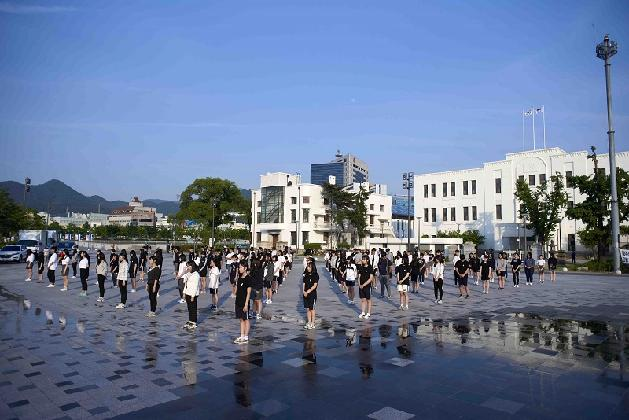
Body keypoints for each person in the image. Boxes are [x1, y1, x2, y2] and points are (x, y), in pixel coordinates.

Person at [234, 261, 252, 344]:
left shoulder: (248, 279)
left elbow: (248, 293)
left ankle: (246, 336)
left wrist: (246, 304)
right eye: (239, 267)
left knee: (246, 319)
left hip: (244, 302)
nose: (239, 269)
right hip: (238, 301)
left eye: (240, 267)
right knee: (241, 319)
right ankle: (241, 335)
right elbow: (236, 292)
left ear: (245, 268)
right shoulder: (240, 278)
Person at [182, 261, 200, 330]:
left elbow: (195, 286)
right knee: (189, 308)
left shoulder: (196, 275)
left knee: (193, 308)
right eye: (187, 266)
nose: (188, 268)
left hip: (193, 294)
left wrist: (193, 296)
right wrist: (184, 293)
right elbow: (185, 283)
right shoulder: (188, 274)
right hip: (187, 293)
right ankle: (190, 320)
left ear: (193, 266)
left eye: (189, 266)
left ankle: (194, 322)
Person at [302, 260, 319, 329]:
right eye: (307, 267)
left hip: (312, 294)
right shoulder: (305, 274)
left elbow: (315, 285)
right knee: (308, 308)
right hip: (305, 293)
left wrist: (309, 290)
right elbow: (304, 284)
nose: (308, 268)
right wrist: (303, 291)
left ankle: (313, 322)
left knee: (312, 308)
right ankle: (309, 322)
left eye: (309, 267)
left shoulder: (315, 275)